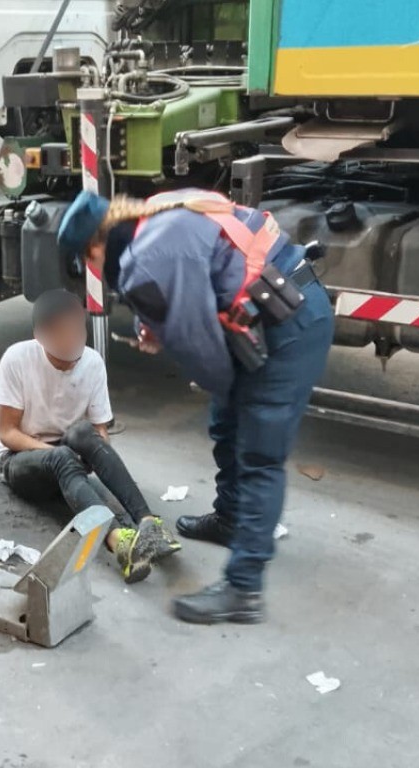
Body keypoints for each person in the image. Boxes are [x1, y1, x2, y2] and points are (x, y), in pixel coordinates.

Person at [56, 189, 334, 624]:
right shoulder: (159, 211)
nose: (92, 270)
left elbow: (201, 348)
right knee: (225, 423)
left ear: (95, 246)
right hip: (271, 307)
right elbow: (192, 274)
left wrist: (227, 387)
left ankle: (244, 589)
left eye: (86, 261)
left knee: (258, 451)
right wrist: (155, 325)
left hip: (288, 324)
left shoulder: (144, 258)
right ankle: (230, 518)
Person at [0, 290, 179, 583]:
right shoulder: (17, 359)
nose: (74, 339)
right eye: (63, 333)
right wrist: (59, 456)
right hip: (19, 460)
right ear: (41, 336)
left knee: (83, 432)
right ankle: (118, 541)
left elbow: (100, 431)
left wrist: (94, 455)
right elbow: (7, 433)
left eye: (78, 329)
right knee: (61, 456)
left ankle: (148, 522)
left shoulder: (92, 363)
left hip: (65, 454)